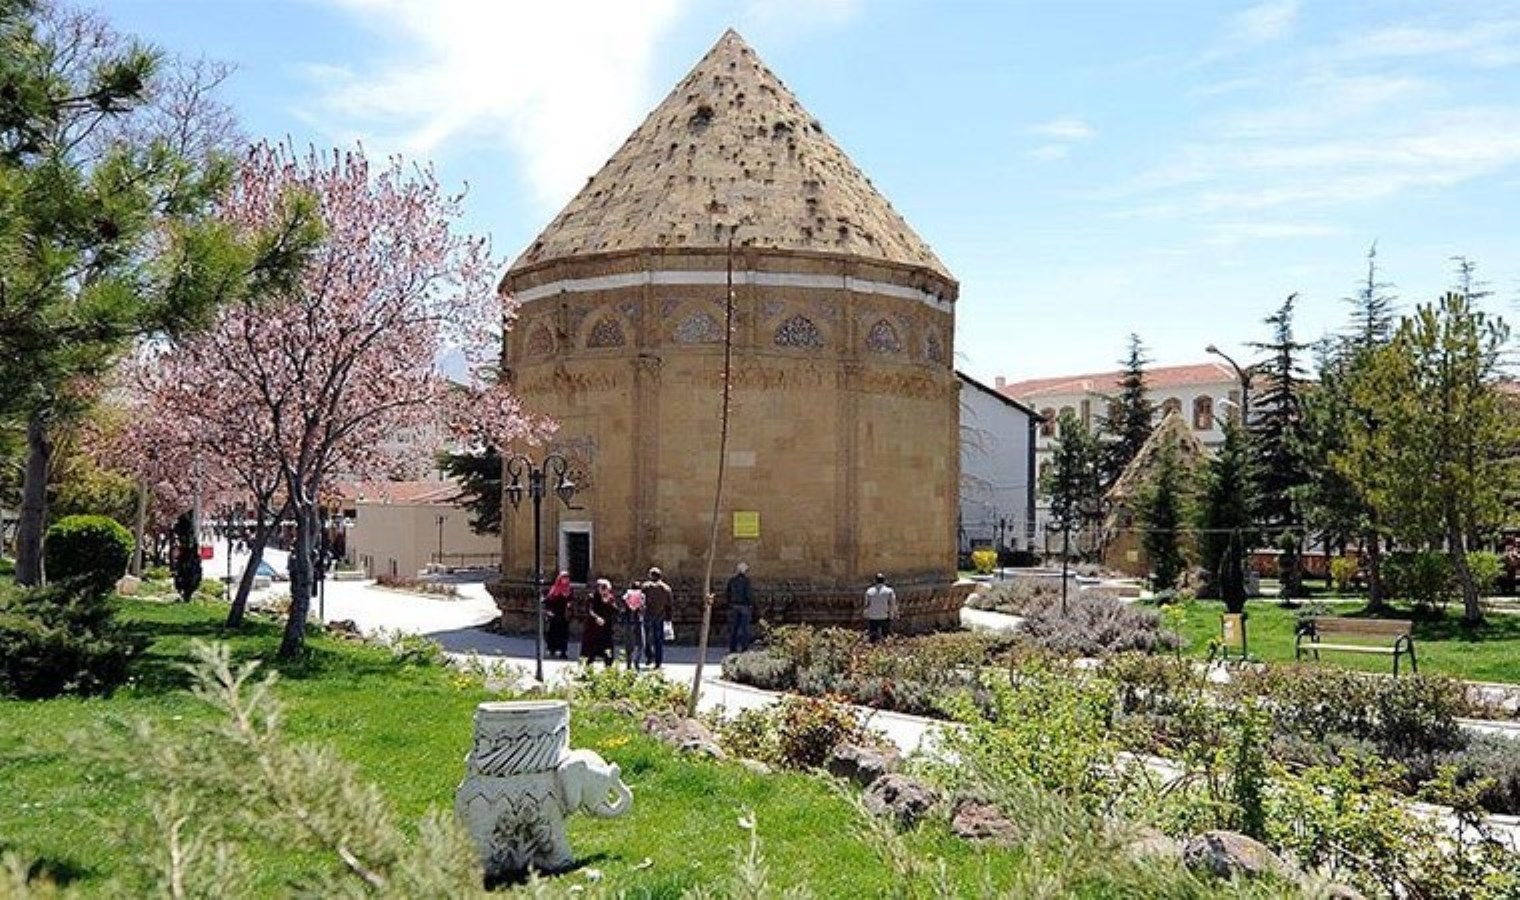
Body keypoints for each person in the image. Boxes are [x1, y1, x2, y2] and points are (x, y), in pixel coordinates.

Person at [580, 578, 617, 667]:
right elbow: (589, 610)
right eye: (602, 588)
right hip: (593, 630)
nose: (604, 591)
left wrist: (608, 603)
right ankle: (587, 671)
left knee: (608, 653)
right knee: (589, 653)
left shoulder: (610, 598)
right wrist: (597, 618)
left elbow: (615, 611)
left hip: (606, 630)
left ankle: (608, 672)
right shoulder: (592, 597)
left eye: (606, 588)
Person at [641, 567, 673, 668]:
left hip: (648, 614)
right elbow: (669, 604)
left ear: (651, 575)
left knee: (647, 638)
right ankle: (658, 661)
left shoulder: (646, 587)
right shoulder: (666, 588)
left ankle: (649, 656)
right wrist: (669, 617)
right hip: (660, 615)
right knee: (658, 639)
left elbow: (641, 600)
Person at [725, 561, 754, 653]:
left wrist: (730, 603)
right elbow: (748, 594)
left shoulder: (732, 581)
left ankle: (732, 647)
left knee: (734, 628)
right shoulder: (746, 581)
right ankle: (744, 648)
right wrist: (751, 604)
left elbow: (728, 593)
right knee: (744, 628)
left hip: (734, 606)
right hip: (744, 606)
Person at [544, 571, 573, 659]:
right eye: (564, 578)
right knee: (553, 632)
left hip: (564, 615)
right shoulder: (554, 589)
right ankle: (552, 649)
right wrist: (548, 611)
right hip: (554, 614)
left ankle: (563, 651)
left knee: (564, 634)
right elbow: (548, 600)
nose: (566, 580)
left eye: (567, 578)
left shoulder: (569, 589)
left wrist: (570, 606)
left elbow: (571, 600)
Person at [863, 573, 897, 643]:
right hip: (884, 616)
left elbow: (866, 605)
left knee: (873, 636)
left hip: (872, 617)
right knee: (885, 636)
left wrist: (866, 615)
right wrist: (892, 615)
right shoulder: (889, 591)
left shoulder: (869, 591)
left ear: (875, 581)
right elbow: (892, 604)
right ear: (884, 581)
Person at [620, 581, 646, 670]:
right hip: (638, 621)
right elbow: (642, 606)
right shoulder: (641, 595)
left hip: (628, 621)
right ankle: (636, 661)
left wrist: (629, 607)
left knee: (629, 644)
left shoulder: (627, 595)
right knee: (641, 643)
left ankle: (628, 663)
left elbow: (623, 601)